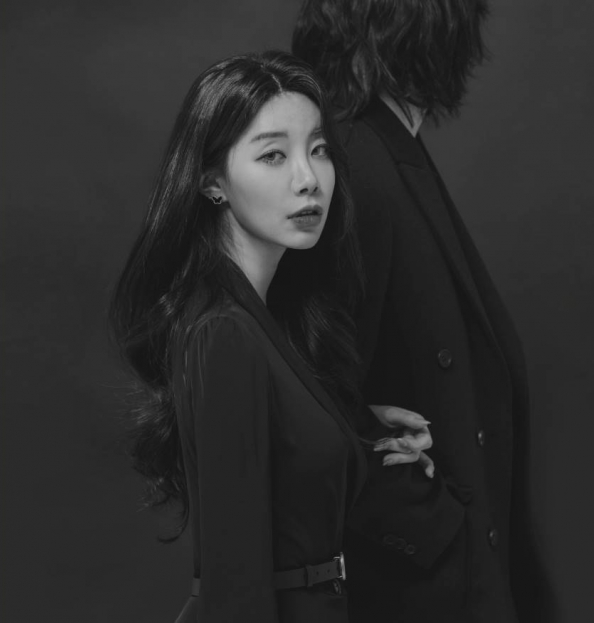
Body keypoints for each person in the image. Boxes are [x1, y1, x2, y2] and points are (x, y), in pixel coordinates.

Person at [110, 50, 429, 623]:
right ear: (212, 182)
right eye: (273, 155)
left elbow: (285, 483)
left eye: (319, 150)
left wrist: (358, 435)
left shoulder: (264, 320)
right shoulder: (222, 333)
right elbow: (235, 584)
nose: (308, 180)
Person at [292, 1, 555, 622]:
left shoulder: (385, 145)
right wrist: (435, 529)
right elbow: (308, 402)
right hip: (421, 590)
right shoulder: (352, 159)